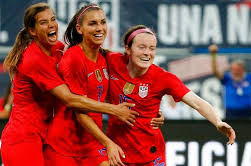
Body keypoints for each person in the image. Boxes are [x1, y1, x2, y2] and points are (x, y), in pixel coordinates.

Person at [1, 3, 138, 166]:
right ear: (32, 31)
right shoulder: (34, 59)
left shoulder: (57, 49)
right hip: (23, 137)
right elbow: (70, 100)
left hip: (47, 133)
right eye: (43, 22)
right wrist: (114, 110)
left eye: (53, 19)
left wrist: (150, 110)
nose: (51, 24)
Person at [91, 25, 235, 166]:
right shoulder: (112, 60)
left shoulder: (163, 78)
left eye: (152, 48)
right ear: (128, 49)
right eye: (141, 47)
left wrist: (217, 121)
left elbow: (196, 102)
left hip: (150, 156)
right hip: (117, 152)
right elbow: (86, 46)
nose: (147, 53)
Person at [44, 4, 163, 166]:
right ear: (80, 29)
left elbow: (125, 88)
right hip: (65, 144)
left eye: (103, 22)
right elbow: (79, 109)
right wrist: (108, 140)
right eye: (92, 24)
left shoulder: (105, 58)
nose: (100, 28)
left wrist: (152, 112)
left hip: (92, 142)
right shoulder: (74, 58)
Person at [209, 44, 251, 119]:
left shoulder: (250, 78)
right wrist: (213, 55)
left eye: (238, 70)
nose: (236, 72)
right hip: (230, 115)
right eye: (234, 70)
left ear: (243, 70)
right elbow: (215, 71)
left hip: (248, 115)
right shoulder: (227, 79)